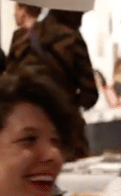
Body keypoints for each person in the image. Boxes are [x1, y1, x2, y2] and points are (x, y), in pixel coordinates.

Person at [5, 9, 98, 160]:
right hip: (65, 132)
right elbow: (90, 93)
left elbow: (9, 82)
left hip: (25, 130)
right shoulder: (72, 38)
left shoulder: (21, 37)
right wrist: (67, 102)